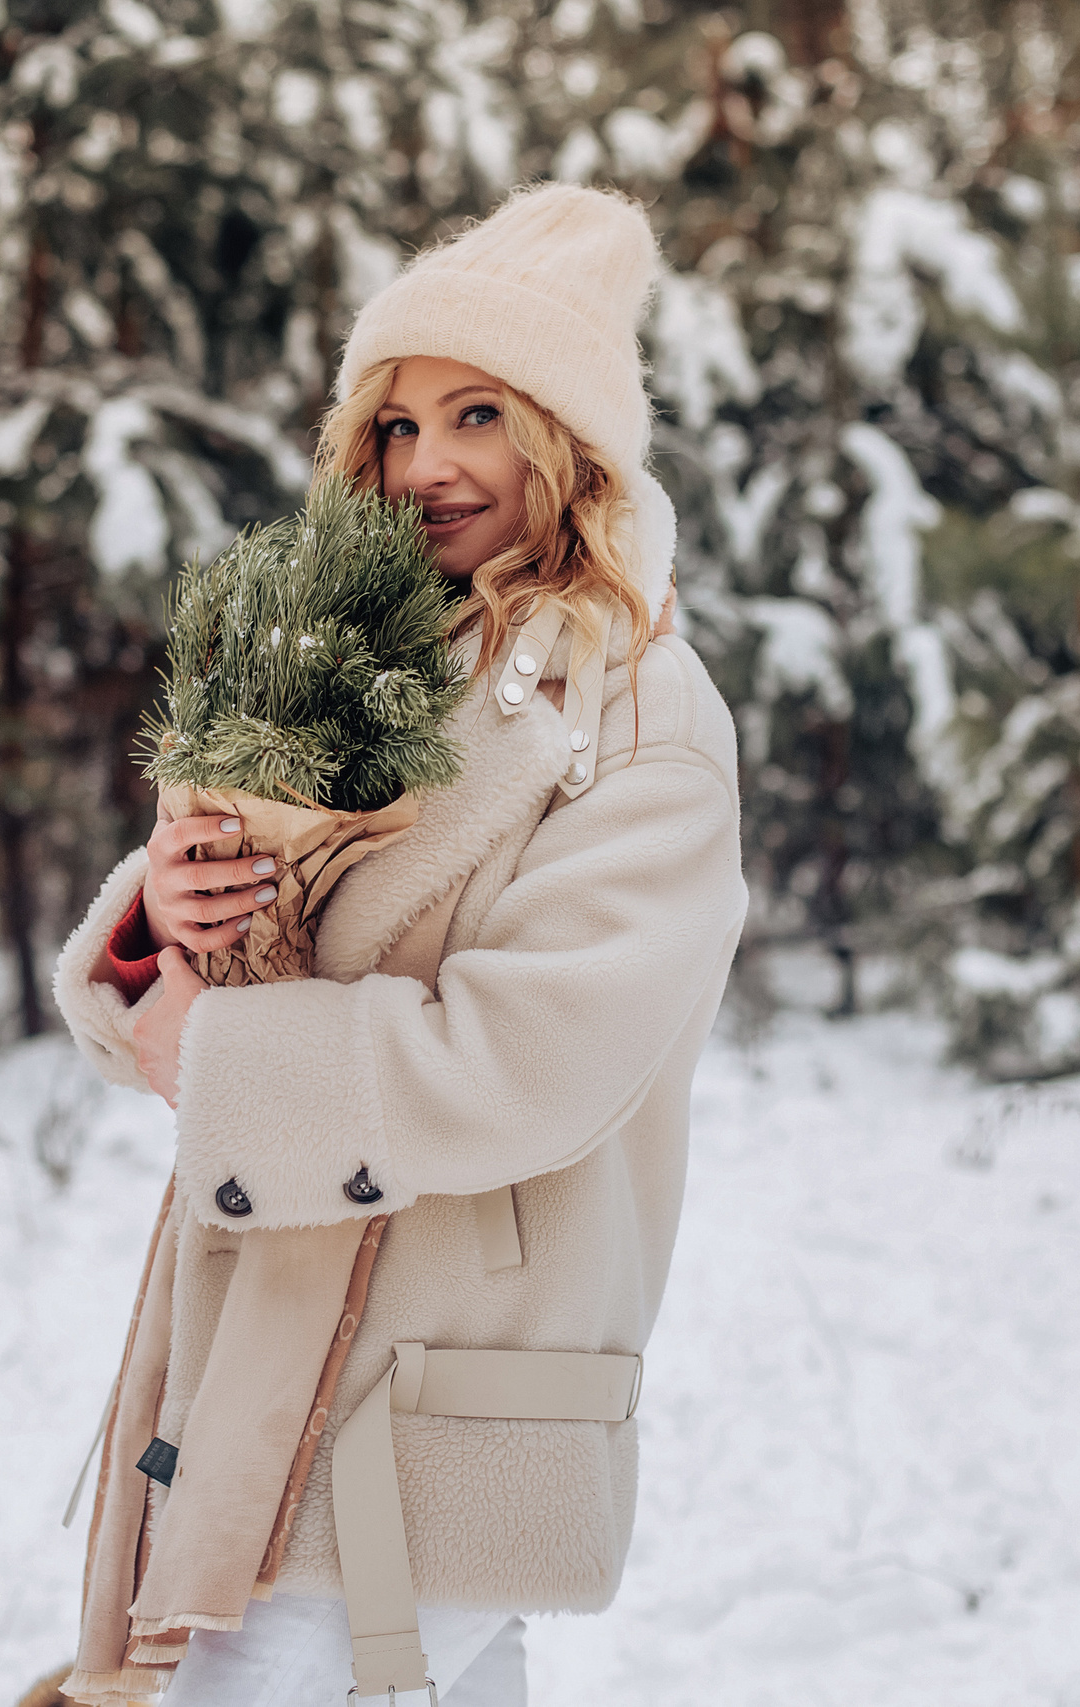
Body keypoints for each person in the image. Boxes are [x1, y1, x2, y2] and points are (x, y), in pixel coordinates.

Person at [52, 183, 747, 1707]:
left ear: (570, 438)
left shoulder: (642, 715)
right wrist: (169, 926)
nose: (427, 466)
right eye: (396, 424)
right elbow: (224, 978)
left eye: (479, 415)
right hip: (271, 1361)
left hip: (438, 1396)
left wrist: (222, 1055)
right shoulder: (359, 668)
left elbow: (536, 1061)